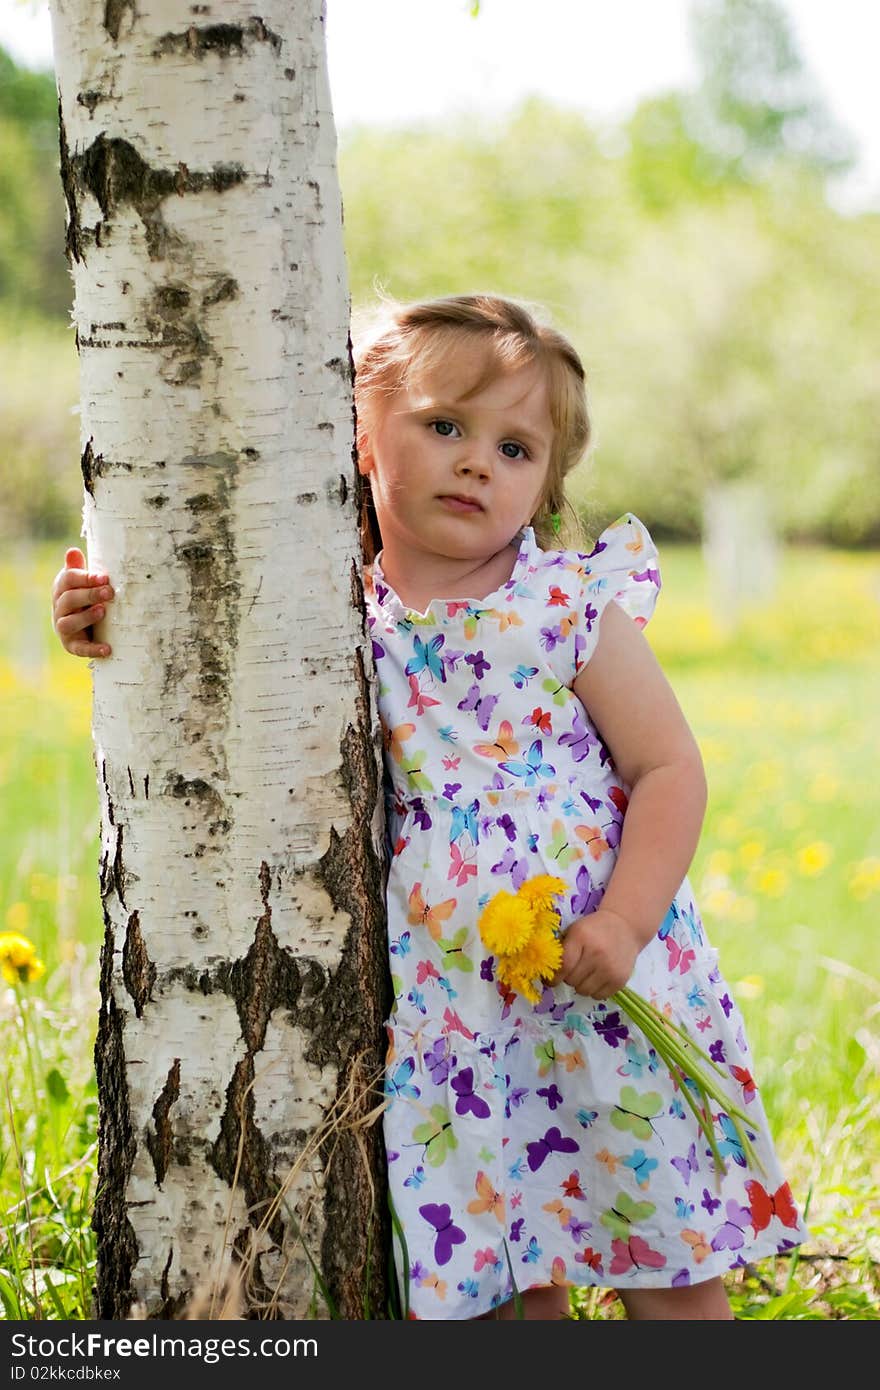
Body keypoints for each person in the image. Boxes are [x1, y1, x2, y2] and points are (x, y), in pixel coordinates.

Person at [52, 293, 807, 1321]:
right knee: (491, 1261)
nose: (476, 462)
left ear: (546, 484)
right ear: (361, 436)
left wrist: (625, 920)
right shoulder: (338, 606)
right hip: (459, 1005)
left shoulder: (568, 604)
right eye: (444, 425)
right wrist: (113, 617)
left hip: (600, 975)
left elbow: (669, 766)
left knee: (661, 1252)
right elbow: (204, 650)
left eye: (515, 447)